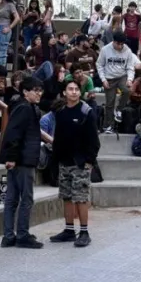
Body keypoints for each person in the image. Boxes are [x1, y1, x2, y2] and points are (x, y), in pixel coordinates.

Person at [49, 80, 101, 248]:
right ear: (64, 92)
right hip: (64, 162)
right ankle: (69, 230)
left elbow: (94, 141)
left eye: (76, 89)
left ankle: (84, 232)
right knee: (67, 197)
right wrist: (55, 161)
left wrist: (89, 161)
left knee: (80, 198)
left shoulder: (87, 112)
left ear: (80, 92)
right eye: (70, 89)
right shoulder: (61, 112)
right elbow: (58, 139)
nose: (73, 92)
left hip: (80, 163)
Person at [0, 76, 45, 250]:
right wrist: (11, 157)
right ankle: (22, 235)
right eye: (35, 90)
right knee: (24, 198)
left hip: (21, 158)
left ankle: (9, 235)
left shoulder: (28, 107)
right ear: (25, 92)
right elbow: (13, 134)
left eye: (40, 90)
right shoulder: (24, 108)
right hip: (22, 159)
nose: (39, 93)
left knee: (12, 199)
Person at [96, 31, 140, 134]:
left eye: (122, 44)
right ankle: (108, 125)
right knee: (110, 103)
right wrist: (103, 79)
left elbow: (130, 67)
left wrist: (130, 79)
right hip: (109, 78)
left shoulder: (127, 50)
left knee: (127, 90)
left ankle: (119, 109)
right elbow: (99, 65)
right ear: (113, 42)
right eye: (118, 44)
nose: (120, 46)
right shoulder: (105, 50)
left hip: (122, 76)